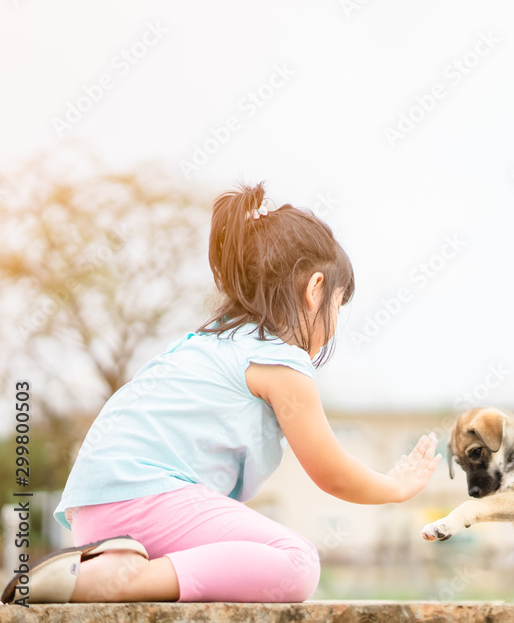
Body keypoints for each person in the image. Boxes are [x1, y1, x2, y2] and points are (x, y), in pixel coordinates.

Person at [2, 183, 441, 605]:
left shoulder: (206, 344)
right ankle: (126, 578)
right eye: (338, 305)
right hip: (143, 500)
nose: (334, 325)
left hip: (94, 515)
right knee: (297, 561)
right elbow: (333, 473)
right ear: (316, 290)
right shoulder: (282, 364)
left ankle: (113, 566)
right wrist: (394, 487)